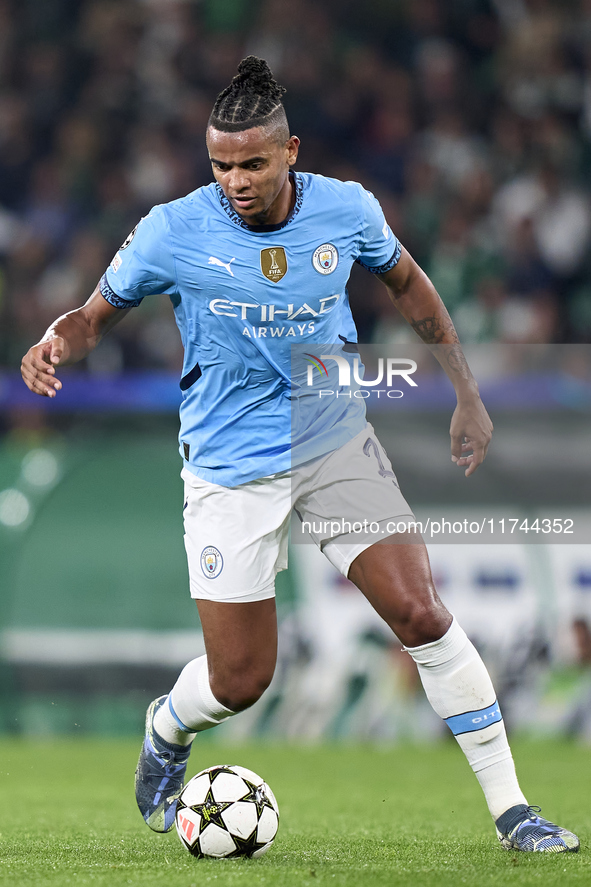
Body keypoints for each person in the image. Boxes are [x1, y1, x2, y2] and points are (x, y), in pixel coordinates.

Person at [21, 57, 578, 854]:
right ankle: (167, 724)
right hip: (226, 464)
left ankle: (514, 810)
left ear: (290, 153)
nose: (235, 180)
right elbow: (93, 314)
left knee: (421, 613)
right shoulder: (172, 229)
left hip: (333, 438)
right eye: (220, 164)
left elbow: (412, 287)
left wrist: (466, 391)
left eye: (251, 163)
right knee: (241, 680)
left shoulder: (347, 209)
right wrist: (54, 340)